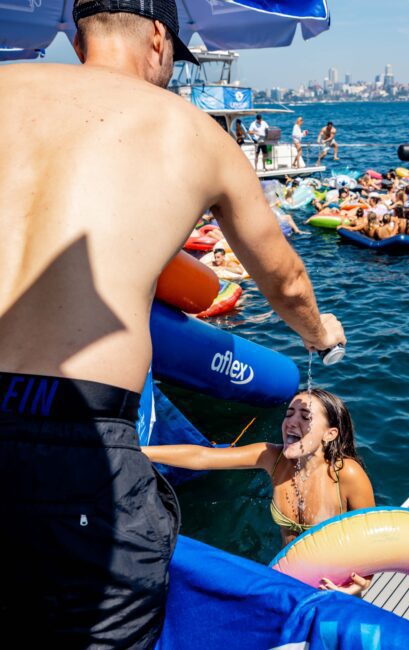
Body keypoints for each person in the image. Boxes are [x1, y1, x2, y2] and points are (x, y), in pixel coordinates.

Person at [0, 0, 346, 645]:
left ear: (78, 40)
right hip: (77, 431)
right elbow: (287, 280)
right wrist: (318, 332)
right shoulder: (190, 129)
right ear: (159, 37)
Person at [143, 389, 375, 594]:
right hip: (288, 580)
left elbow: (374, 540)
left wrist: (362, 582)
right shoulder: (273, 458)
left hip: (335, 588)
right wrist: (140, 450)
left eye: (305, 417)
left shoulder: (346, 475)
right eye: (289, 414)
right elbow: (203, 457)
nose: (291, 422)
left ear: (330, 434)